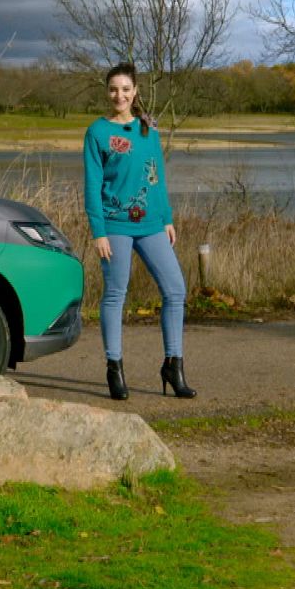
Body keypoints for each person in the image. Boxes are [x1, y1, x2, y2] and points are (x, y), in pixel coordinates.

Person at [82, 62, 195, 401]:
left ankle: (173, 366)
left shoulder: (149, 129)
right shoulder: (97, 132)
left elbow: (156, 177)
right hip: (115, 224)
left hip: (151, 224)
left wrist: (166, 217)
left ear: (135, 92)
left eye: (125, 89)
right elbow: (92, 185)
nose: (119, 95)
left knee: (175, 290)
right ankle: (114, 368)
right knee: (116, 294)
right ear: (107, 92)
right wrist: (98, 231)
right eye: (113, 89)